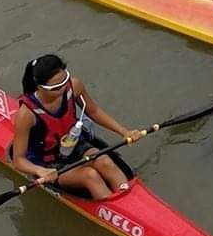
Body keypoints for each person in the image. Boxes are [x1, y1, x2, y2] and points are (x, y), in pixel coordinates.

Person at [8, 54, 139, 203]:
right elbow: (18, 160)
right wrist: (40, 171)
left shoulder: (74, 86)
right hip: (48, 162)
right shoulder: (26, 115)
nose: (63, 88)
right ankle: (115, 212)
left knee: (105, 161)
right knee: (90, 176)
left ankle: (129, 199)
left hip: (74, 144)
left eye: (65, 80)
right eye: (56, 87)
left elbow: (94, 111)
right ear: (40, 87)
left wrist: (124, 131)